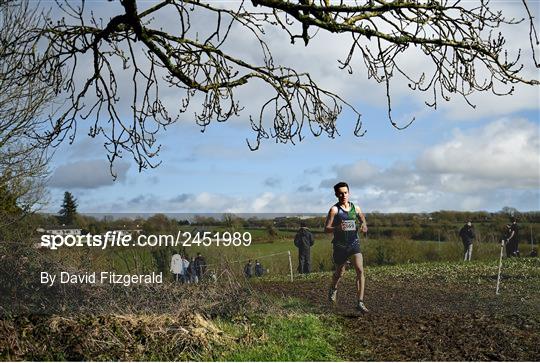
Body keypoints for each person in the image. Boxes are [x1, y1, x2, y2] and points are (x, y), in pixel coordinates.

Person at [325, 181, 369, 313]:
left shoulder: (356, 208)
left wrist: (364, 226)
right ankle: (333, 288)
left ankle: (360, 302)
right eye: (340, 193)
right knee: (339, 273)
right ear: (336, 195)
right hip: (340, 247)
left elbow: (363, 220)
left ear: (348, 193)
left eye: (345, 192)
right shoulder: (334, 210)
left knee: (360, 270)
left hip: (354, 244)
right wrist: (337, 228)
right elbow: (326, 229)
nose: (343, 195)